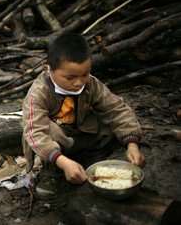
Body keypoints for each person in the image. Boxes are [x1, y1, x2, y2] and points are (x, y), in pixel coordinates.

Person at [21, 33, 145, 184]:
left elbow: (116, 109)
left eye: (85, 74)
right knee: (47, 132)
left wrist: (132, 144)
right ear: (49, 69)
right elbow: (35, 133)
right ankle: (53, 173)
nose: (79, 83)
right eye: (70, 78)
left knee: (110, 128)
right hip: (56, 140)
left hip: (80, 133)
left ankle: (90, 159)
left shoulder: (91, 84)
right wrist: (62, 162)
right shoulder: (38, 94)